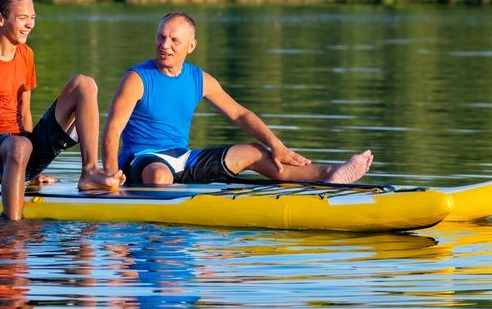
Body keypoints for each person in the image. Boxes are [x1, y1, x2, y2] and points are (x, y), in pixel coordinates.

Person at [102, 12, 373, 186]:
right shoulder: (137, 78)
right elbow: (113, 129)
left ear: (191, 46)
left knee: (256, 152)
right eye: (161, 37)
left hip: (183, 159)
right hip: (142, 159)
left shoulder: (199, 79)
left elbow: (239, 114)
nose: (165, 45)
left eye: (174, 40)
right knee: (159, 176)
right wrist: (111, 178)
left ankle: (331, 176)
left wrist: (276, 144)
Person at [0, 0, 123, 220]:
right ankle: (12, 227)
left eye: (33, 18)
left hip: (21, 147)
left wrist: (29, 170)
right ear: (0, 19)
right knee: (19, 146)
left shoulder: (26, 54)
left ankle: (89, 172)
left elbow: (24, 113)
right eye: (22, 18)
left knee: (85, 84)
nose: (30, 24)